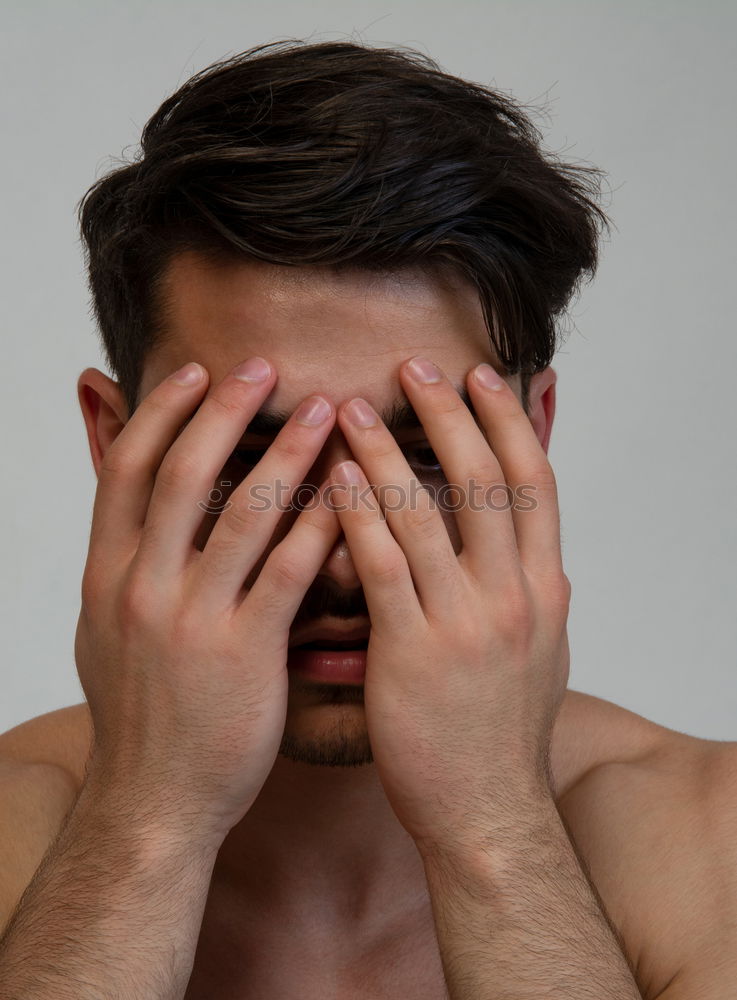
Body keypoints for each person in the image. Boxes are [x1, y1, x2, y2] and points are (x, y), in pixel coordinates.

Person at [0, 39, 733, 1000]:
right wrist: (148, 820)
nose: (344, 562)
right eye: (253, 459)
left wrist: (492, 831)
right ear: (114, 445)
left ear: (529, 438)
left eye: (424, 450)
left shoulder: (709, 839)